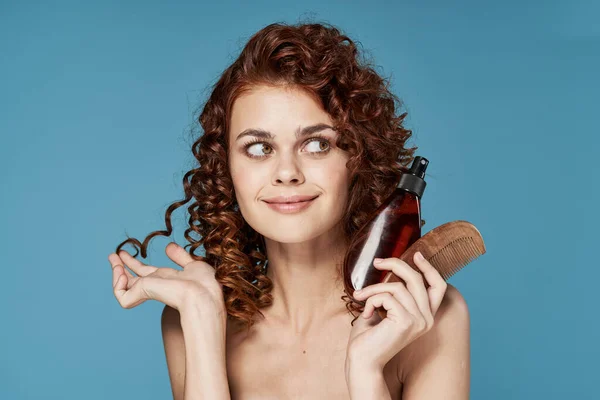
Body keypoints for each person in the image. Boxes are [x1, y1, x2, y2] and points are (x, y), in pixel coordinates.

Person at [108, 21, 470, 400]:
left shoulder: (432, 317)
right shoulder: (189, 319)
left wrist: (365, 373)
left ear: (358, 157)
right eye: (259, 148)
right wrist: (201, 320)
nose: (286, 173)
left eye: (316, 145)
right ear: (226, 168)